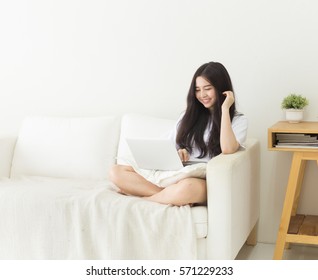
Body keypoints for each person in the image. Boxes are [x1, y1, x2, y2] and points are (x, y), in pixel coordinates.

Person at [109, 62, 247, 206]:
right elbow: (167, 147)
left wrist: (225, 109)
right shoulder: (187, 117)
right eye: (197, 90)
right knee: (116, 171)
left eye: (207, 89)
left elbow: (228, 149)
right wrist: (178, 153)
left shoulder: (238, 120)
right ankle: (169, 196)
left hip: (199, 181)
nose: (202, 95)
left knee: (187, 188)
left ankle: (143, 200)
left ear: (221, 89)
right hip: (176, 175)